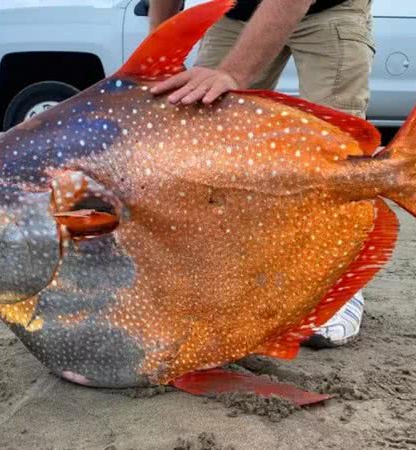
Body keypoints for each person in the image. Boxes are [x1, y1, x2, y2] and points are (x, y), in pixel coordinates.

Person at [149, 0, 375, 347]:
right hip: (238, 10)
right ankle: (227, 282)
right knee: (199, 132)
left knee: (335, 147)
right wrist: (158, 57)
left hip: (330, 6)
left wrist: (233, 74)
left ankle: (338, 288)